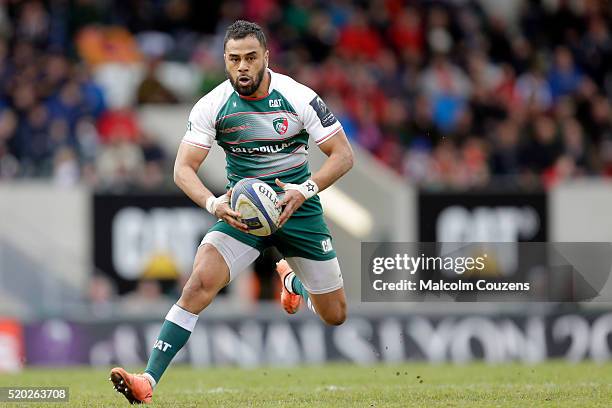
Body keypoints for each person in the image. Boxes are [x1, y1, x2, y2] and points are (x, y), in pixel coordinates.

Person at [109, 20, 354, 404]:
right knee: (198, 283)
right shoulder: (213, 104)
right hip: (244, 212)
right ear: (225, 60)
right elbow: (182, 169)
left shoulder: (298, 96)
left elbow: (343, 154)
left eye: (251, 58)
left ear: (266, 58)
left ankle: (292, 282)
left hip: (299, 209)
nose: (243, 66)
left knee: (335, 314)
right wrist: (214, 203)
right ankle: (148, 381)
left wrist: (305, 190)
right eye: (235, 58)